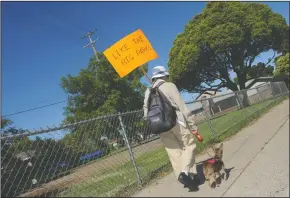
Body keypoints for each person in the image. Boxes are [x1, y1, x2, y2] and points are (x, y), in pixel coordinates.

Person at [143, 65, 200, 191]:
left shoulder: (148, 91)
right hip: (176, 122)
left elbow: (146, 113)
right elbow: (182, 107)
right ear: (164, 75)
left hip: (160, 126)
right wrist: (193, 125)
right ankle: (186, 172)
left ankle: (187, 176)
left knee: (174, 152)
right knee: (189, 145)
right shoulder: (170, 86)